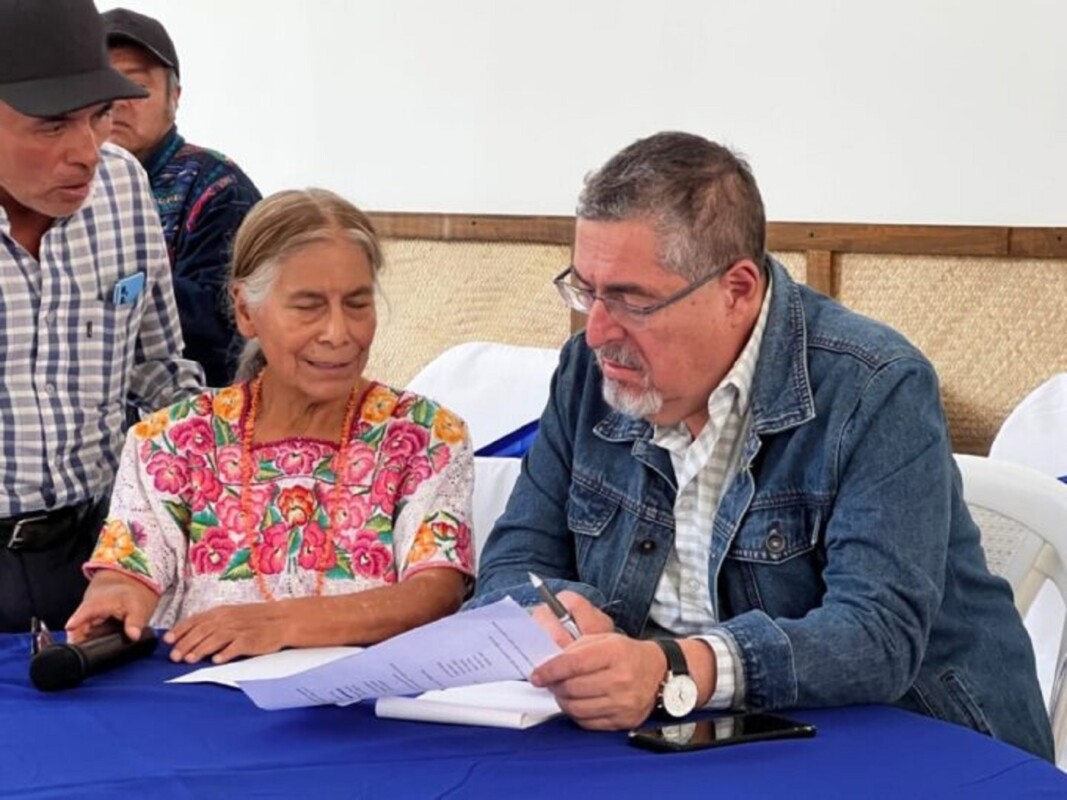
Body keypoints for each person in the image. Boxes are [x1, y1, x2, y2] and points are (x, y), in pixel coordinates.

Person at [468, 131, 1054, 760]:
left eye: (631, 301)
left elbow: (876, 635)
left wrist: (673, 668)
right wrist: (555, 618)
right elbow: (514, 560)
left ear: (738, 289)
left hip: (905, 742)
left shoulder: (875, 386)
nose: (597, 332)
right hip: (681, 743)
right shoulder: (587, 375)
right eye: (586, 291)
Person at [67, 188, 475, 664]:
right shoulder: (172, 441)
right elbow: (131, 566)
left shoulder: (424, 436)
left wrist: (281, 623)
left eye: (358, 304)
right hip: (203, 712)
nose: (339, 333)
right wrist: (116, 593)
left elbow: (435, 592)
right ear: (245, 311)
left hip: (364, 717)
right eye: (309, 306)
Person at [0, 0, 203, 633]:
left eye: (99, 117)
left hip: (102, 559)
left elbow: (160, 369)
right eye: (53, 125)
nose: (87, 151)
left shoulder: (121, 186)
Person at [103, 8, 262, 387]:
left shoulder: (219, 188)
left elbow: (222, 325)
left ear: (174, 97)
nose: (117, 101)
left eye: (137, 86)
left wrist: (108, 284)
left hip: (189, 410)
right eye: (102, 84)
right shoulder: (58, 185)